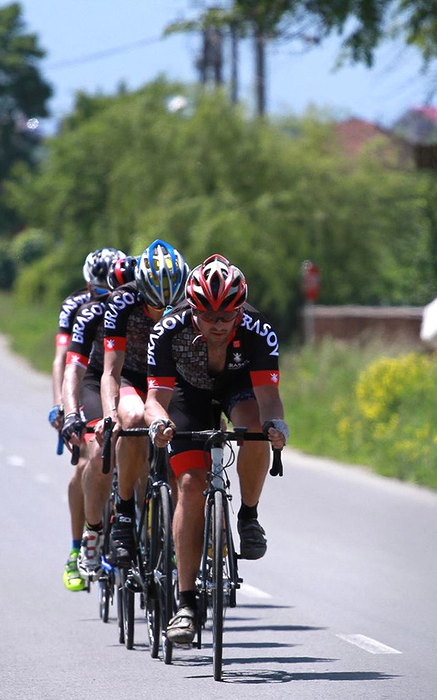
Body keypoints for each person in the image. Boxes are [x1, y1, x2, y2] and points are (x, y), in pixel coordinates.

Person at [143, 254, 289, 645]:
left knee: (256, 427)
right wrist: (158, 422)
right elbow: (155, 396)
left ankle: (248, 515)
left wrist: (277, 426)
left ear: (241, 308)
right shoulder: (169, 330)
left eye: (228, 316)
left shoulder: (259, 330)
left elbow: (268, 397)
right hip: (186, 398)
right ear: (193, 309)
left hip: (236, 390)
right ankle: (186, 603)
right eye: (208, 317)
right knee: (190, 485)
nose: (219, 325)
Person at [100, 240, 190, 565]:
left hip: (173, 382)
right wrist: (111, 414)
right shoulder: (123, 302)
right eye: (154, 307)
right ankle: (124, 512)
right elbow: (110, 370)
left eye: (171, 307)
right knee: (135, 419)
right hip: (133, 379)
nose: (162, 315)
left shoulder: (192, 302)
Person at [49, 247, 125, 591]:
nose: (105, 297)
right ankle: (77, 547)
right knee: (84, 465)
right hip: (90, 380)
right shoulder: (77, 306)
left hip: (126, 378)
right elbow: (63, 361)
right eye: (98, 290)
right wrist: (62, 409)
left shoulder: (133, 305)